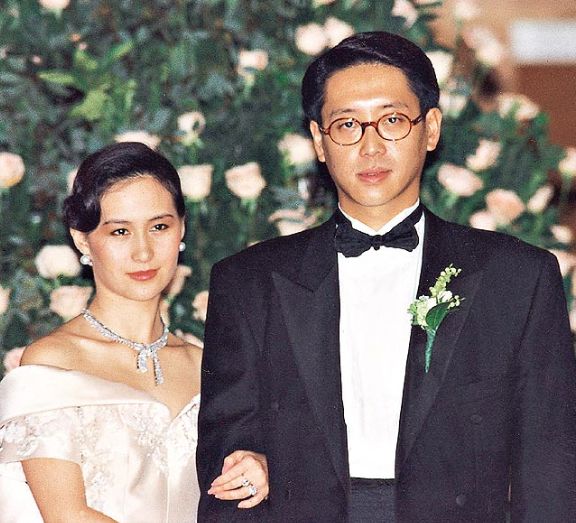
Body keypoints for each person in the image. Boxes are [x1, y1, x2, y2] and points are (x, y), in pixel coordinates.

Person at [197, 31, 576, 522]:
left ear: (431, 129)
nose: (370, 147)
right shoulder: (249, 283)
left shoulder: (518, 279)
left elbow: (549, 469)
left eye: (392, 120)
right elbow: (226, 456)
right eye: (347, 125)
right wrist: (249, 464)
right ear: (319, 141)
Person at [0, 142, 269, 523]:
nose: (143, 252)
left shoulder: (207, 366)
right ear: (82, 239)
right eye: (120, 231)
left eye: (159, 227)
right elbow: (66, 514)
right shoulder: (53, 362)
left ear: (181, 229)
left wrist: (260, 469)